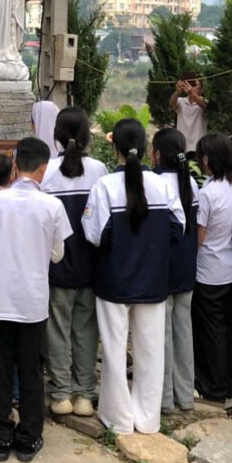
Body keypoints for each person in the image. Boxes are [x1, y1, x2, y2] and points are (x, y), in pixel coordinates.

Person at [82, 119, 181, 436]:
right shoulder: (163, 186)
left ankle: (119, 419)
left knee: (113, 352)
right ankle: (148, 419)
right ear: (147, 147)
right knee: (151, 352)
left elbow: (94, 235)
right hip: (154, 281)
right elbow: (177, 229)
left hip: (114, 281)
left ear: (115, 148)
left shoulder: (105, 187)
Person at [0, 137, 72, 462]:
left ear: (15, 165)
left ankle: (0, 436)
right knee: (31, 370)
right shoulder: (52, 206)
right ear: (43, 169)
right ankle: (29, 437)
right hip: (32, 302)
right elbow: (58, 255)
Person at [41, 106, 107, 418]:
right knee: (86, 331)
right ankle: (84, 396)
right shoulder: (99, 170)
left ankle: (61, 395)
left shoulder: (47, 173)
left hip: (57, 267)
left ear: (56, 134)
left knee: (57, 331)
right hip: (91, 266)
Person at [191, 133, 232, 406]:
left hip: (210, 271)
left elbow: (200, 236)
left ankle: (213, 385)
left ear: (207, 160)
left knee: (210, 331)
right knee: (229, 327)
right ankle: (229, 381)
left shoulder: (208, 194)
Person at [151, 128, 199, 414]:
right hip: (187, 267)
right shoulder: (190, 182)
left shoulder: (155, 183)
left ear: (157, 154)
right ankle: (186, 395)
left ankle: (165, 399)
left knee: (163, 333)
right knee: (184, 331)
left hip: (162, 268)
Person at [169, 73, 207, 157]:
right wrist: (177, 91)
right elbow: (172, 103)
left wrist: (192, 94)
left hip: (199, 148)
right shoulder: (181, 101)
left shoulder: (204, 101)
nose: (191, 87)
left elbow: (204, 105)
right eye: (190, 84)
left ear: (202, 89)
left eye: (195, 85)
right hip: (182, 147)